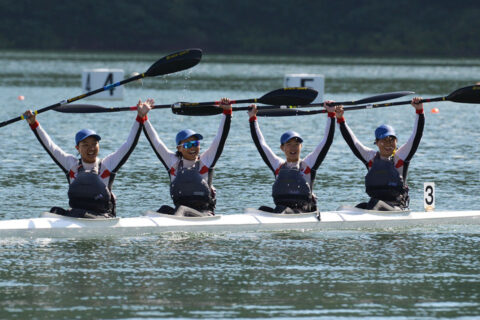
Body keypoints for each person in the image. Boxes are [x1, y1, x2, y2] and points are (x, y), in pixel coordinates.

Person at [23, 99, 152, 218]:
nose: (91, 148)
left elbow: (129, 145)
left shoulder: (108, 164)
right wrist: (34, 124)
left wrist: (140, 118)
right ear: (77, 148)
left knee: (76, 213)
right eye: (85, 145)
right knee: (54, 211)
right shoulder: (71, 164)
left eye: (94, 144)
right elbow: (50, 146)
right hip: (77, 215)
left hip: (102, 217)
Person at [143, 98, 232, 217]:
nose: (193, 148)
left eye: (196, 144)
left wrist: (227, 113)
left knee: (181, 210)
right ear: (179, 148)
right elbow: (155, 141)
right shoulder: (172, 162)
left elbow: (220, 139)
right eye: (188, 144)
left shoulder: (206, 161)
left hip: (204, 215)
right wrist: (143, 117)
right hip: (181, 213)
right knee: (163, 209)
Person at [335, 97, 425, 211]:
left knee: (374, 203)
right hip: (376, 206)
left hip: (396, 208)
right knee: (345, 208)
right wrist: (340, 119)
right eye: (384, 140)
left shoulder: (401, 157)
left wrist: (419, 111)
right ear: (376, 142)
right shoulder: (370, 157)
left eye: (392, 140)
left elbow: (416, 136)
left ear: (396, 142)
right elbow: (352, 142)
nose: (389, 144)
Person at [247, 102, 338, 214]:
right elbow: (261, 144)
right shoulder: (278, 165)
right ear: (282, 148)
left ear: (301, 146)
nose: (293, 148)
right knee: (262, 209)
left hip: (303, 211)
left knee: (282, 210)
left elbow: (326, 142)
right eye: (289, 144)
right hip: (282, 211)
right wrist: (252, 118)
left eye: (296, 144)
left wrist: (331, 115)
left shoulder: (308, 164)